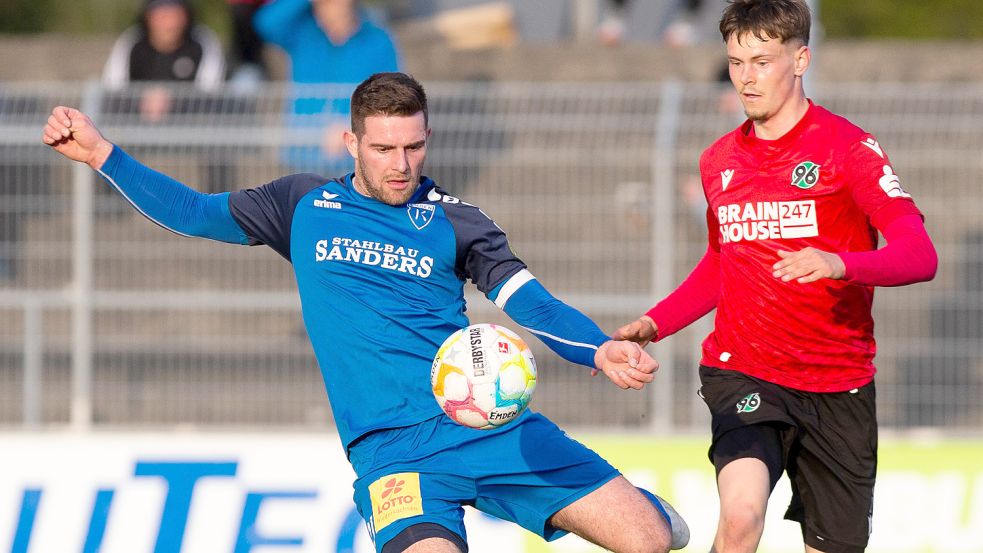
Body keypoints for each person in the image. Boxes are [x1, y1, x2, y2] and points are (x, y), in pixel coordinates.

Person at [43, 72, 689, 553]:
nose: (400, 164)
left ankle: (643, 508)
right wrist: (104, 154)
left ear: (427, 137)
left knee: (650, 539)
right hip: (393, 454)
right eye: (383, 148)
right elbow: (191, 212)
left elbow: (530, 302)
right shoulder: (300, 205)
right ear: (351, 140)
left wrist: (597, 348)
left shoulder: (457, 222)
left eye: (412, 147)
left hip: (490, 425)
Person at [614, 1, 938, 552]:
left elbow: (920, 254)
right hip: (745, 373)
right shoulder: (718, 161)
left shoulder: (848, 149)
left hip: (839, 384)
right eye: (737, 62)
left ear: (801, 58)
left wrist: (842, 263)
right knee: (741, 514)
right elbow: (722, 262)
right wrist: (655, 322)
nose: (746, 76)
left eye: (762, 61)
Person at [255, 0, 399, 175]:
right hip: (303, 155)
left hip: (354, 161)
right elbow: (265, 22)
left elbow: (390, 96)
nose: (330, 8)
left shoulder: (377, 40)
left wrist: (351, 127)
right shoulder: (304, 34)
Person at [102, 0, 226, 123]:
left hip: (190, 129)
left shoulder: (203, 42)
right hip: (135, 128)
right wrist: (141, 102)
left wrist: (173, 103)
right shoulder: (131, 42)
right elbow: (112, 89)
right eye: (162, 17)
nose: (170, 24)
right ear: (148, 17)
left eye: (175, 16)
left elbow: (211, 94)